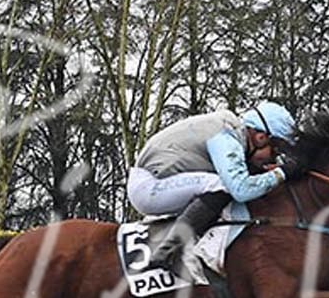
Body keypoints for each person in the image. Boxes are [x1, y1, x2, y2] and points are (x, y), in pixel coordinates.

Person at [128, 101, 299, 274]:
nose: (273, 160)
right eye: (275, 152)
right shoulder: (226, 137)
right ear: (260, 137)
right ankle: (167, 252)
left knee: (224, 188)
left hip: (156, 182)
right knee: (224, 186)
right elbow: (241, 190)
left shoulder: (231, 131)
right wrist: (282, 173)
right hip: (150, 188)